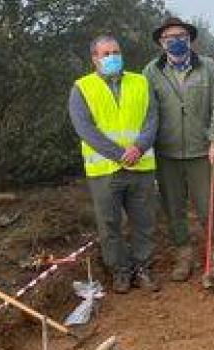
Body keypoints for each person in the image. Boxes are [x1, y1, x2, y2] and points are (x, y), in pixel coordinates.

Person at [68, 35, 160, 293]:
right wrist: (119, 153)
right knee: (109, 224)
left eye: (116, 52)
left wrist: (139, 147)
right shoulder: (82, 88)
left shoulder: (141, 82)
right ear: (94, 58)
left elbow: (152, 118)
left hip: (140, 166)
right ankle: (120, 271)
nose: (112, 57)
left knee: (144, 221)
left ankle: (143, 267)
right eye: (106, 53)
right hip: (105, 170)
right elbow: (85, 128)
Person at [143, 17, 214, 283]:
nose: (176, 40)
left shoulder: (209, 67)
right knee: (174, 207)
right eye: (169, 37)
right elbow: (147, 111)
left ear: (190, 38)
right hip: (166, 152)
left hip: (202, 151)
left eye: (181, 35)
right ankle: (184, 254)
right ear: (161, 42)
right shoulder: (151, 72)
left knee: (209, 206)